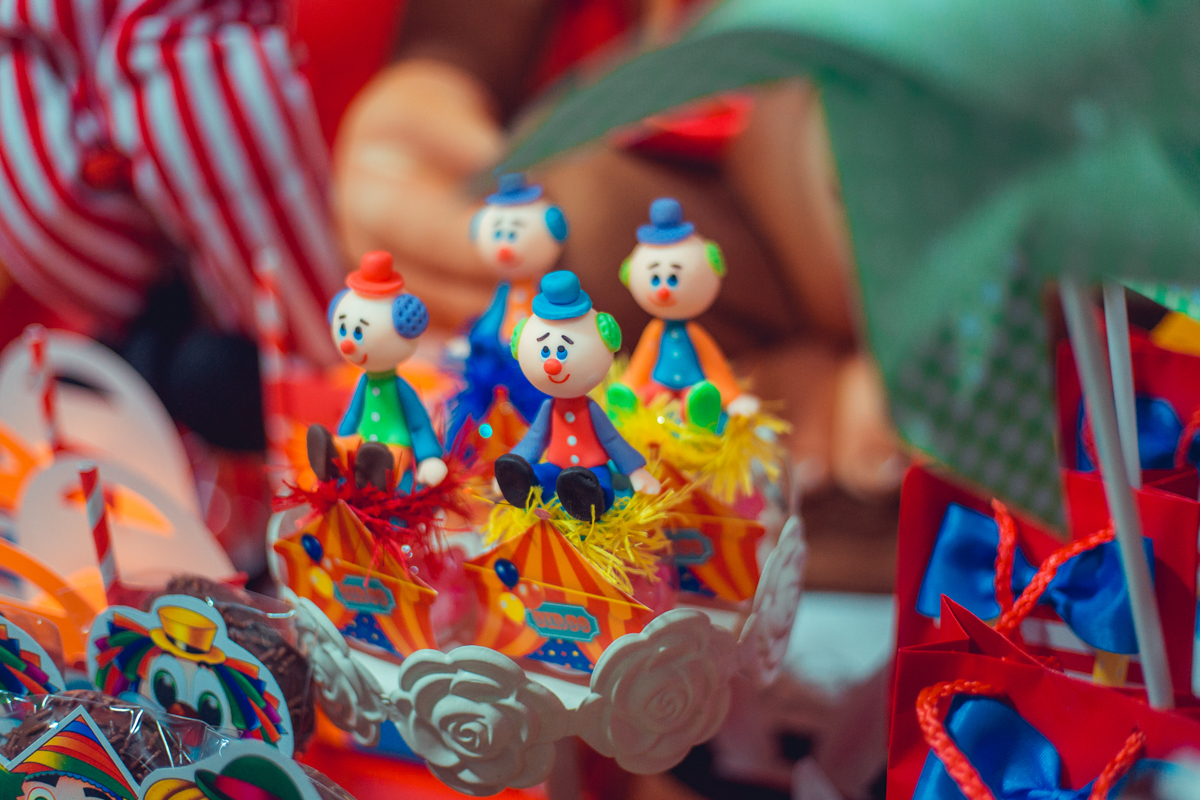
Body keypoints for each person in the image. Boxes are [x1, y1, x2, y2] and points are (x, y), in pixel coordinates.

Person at [495, 271, 661, 521]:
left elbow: (613, 440)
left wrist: (636, 472)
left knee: (597, 487)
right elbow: (535, 439)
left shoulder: (591, 409)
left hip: (592, 470)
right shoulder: (549, 408)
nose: (552, 364)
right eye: (545, 351)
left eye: (562, 351)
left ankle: (587, 502)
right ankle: (522, 488)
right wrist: (517, 462)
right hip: (555, 466)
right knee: (540, 475)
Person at [611, 197, 762, 431]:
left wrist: (732, 397)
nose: (663, 290)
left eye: (673, 278)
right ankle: (627, 401)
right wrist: (629, 385)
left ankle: (697, 410)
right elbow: (642, 362)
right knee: (648, 394)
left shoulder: (694, 333)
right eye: (655, 279)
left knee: (699, 395)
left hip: (694, 383)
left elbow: (715, 365)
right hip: (659, 384)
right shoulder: (654, 331)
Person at [306, 252, 446, 492]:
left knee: (390, 458)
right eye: (343, 330)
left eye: (358, 333)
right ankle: (333, 456)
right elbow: (352, 414)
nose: (347, 344)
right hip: (362, 438)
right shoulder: (363, 382)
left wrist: (429, 456)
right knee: (348, 447)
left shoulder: (400, 388)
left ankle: (378, 472)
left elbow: (419, 424)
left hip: (395, 444)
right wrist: (341, 436)